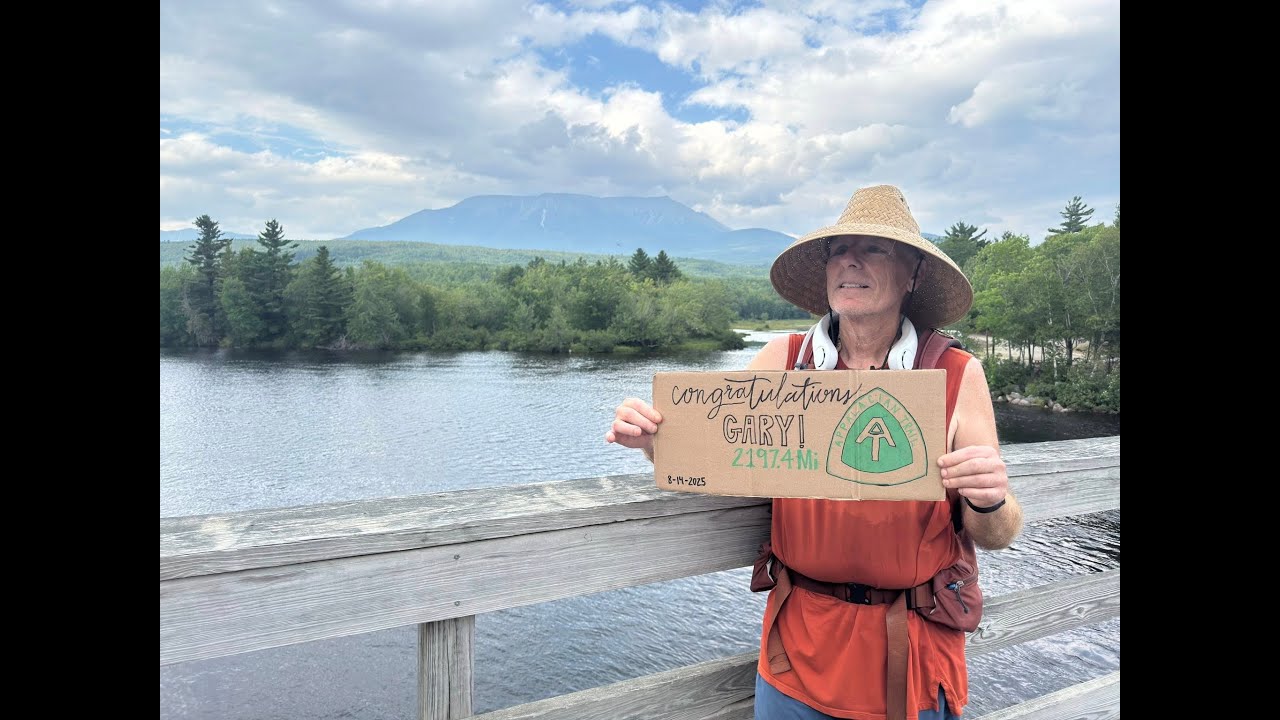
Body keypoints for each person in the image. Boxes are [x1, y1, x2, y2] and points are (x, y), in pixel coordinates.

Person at [605, 184, 1023, 720]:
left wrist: (990, 498)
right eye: (838, 249)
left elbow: (997, 532)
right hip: (794, 653)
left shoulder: (956, 373)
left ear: (913, 274)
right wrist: (654, 442)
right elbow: (717, 456)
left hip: (909, 661)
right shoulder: (782, 359)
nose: (850, 259)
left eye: (875, 248)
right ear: (826, 270)